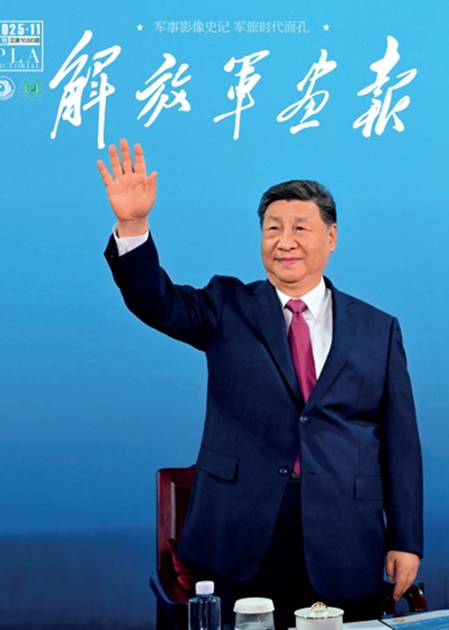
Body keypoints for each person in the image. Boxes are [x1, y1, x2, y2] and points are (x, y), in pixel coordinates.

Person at [97, 139, 423, 628]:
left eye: (300, 228)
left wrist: (406, 540)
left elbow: (400, 443)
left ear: (331, 237)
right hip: (241, 530)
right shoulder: (226, 306)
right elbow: (154, 300)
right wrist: (133, 226)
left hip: (345, 534)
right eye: (273, 228)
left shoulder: (378, 328)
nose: (284, 241)